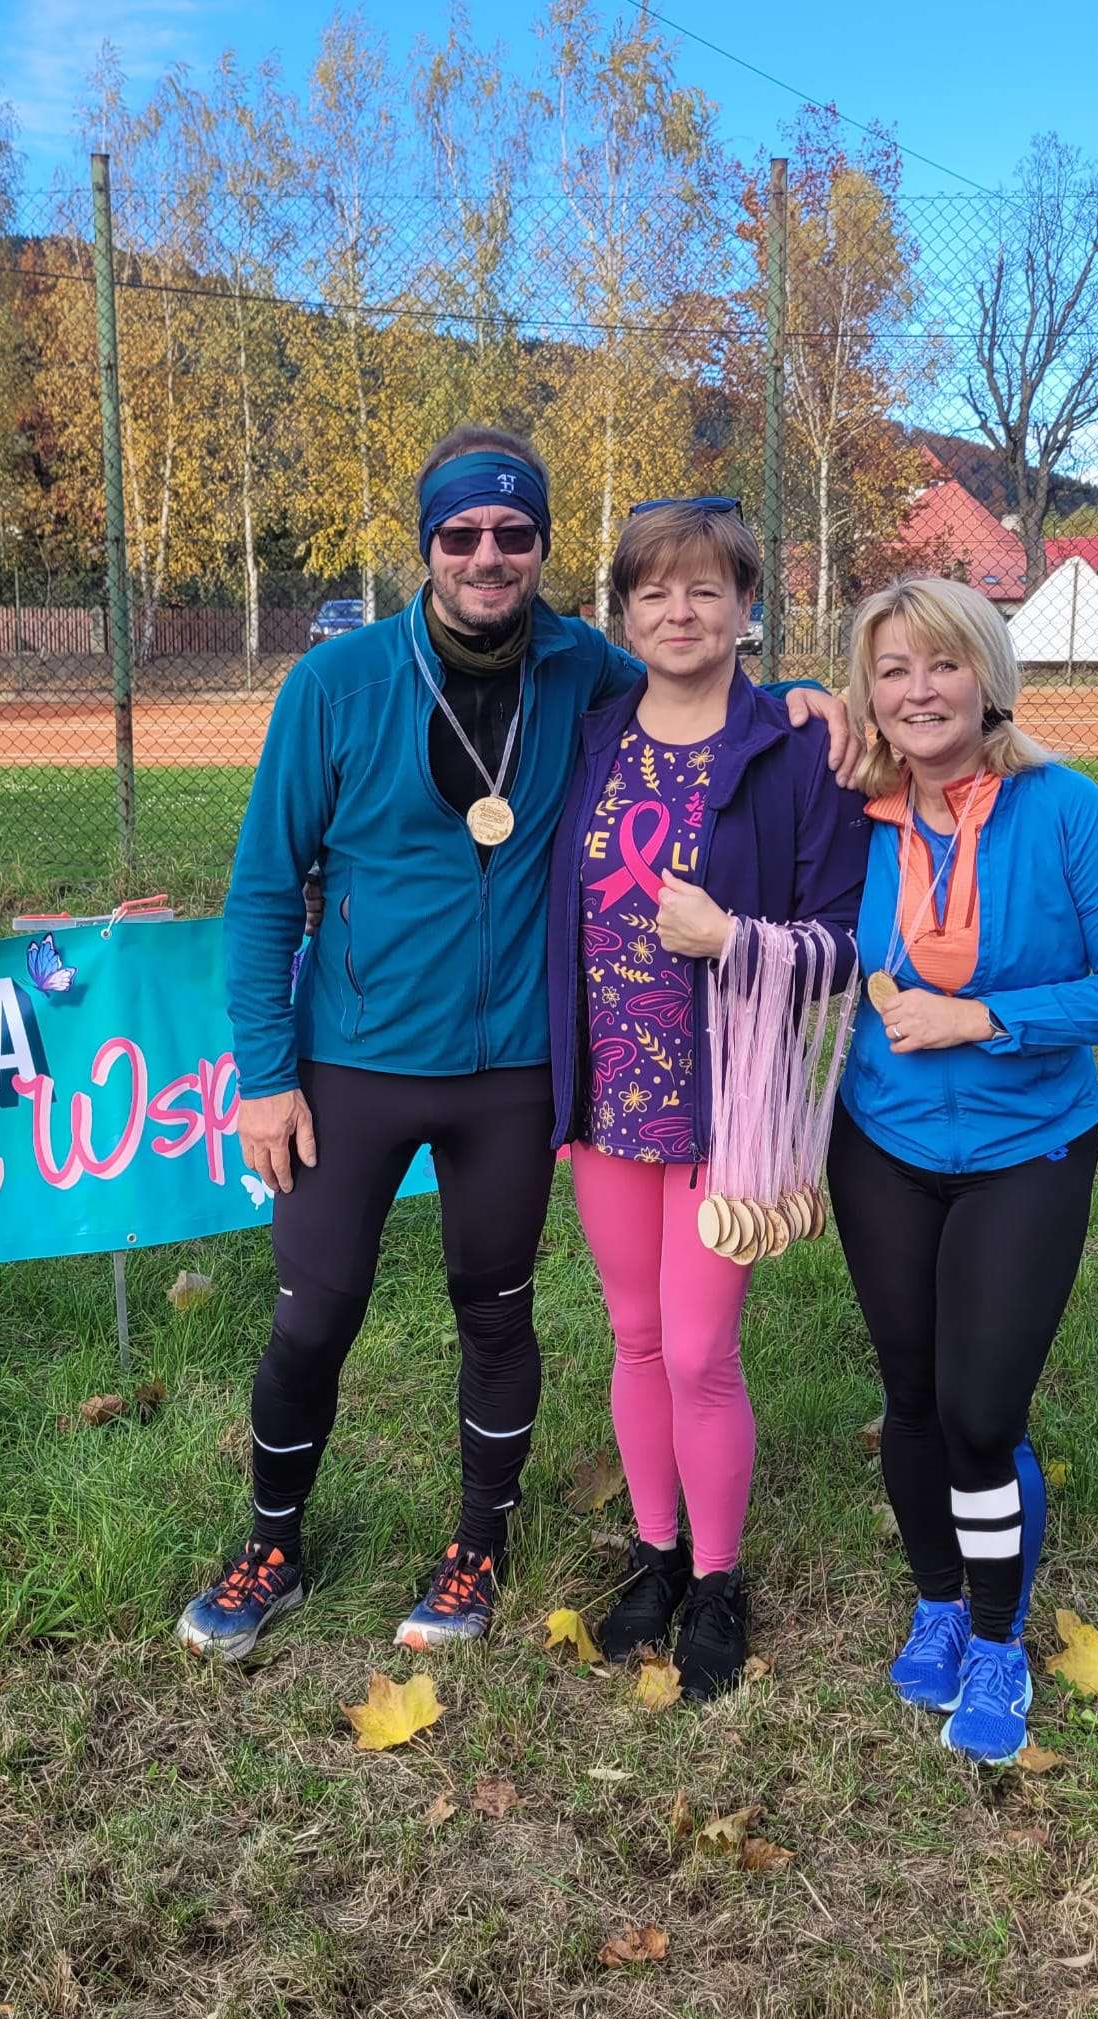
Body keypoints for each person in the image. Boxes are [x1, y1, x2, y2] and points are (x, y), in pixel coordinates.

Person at [177, 428, 854, 1661]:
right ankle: (273, 1540)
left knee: (496, 1313)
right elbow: (265, 891)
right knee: (312, 1313)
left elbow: (698, 669)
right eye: (461, 534)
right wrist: (266, 1075)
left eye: (514, 533)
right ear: (427, 545)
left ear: (541, 545)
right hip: (356, 1059)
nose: (487, 556)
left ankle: (477, 1547)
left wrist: (805, 694)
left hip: (515, 1072)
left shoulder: (581, 669)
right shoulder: (334, 686)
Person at [826, 575, 1098, 1764]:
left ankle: (995, 1638)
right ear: (869, 694)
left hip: (1028, 1147)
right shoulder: (855, 817)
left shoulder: (1069, 811)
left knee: (980, 1414)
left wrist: (986, 1019)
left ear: (990, 678)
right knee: (911, 1398)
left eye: (943, 663)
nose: (919, 690)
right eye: (892, 670)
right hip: (881, 1145)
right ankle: (937, 1601)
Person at [545, 499, 869, 1697]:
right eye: (653, 592)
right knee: (634, 1336)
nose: (678, 613)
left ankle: (720, 1576)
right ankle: (657, 1552)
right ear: (623, 615)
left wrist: (736, 938)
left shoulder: (797, 752)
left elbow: (847, 942)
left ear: (746, 606)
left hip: (727, 1104)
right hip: (607, 1095)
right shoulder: (588, 741)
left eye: (704, 589)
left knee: (696, 1351)